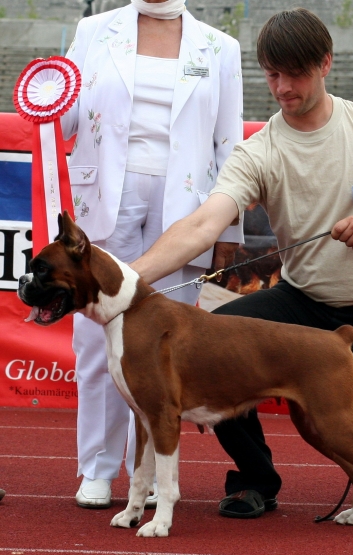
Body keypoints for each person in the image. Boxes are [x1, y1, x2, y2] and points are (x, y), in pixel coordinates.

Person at [131, 7, 353, 518]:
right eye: (272, 75)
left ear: (325, 64)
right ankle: (257, 479)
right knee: (210, 348)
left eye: (295, 74)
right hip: (301, 303)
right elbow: (202, 225)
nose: (283, 88)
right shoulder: (257, 151)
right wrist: (127, 280)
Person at [61, 0, 243, 508]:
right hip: (103, 204)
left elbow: (230, 143)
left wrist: (228, 226)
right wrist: (48, 96)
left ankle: (148, 475)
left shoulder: (220, 47)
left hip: (186, 213)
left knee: (164, 349)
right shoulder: (93, 30)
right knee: (95, 341)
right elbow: (65, 118)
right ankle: (97, 469)